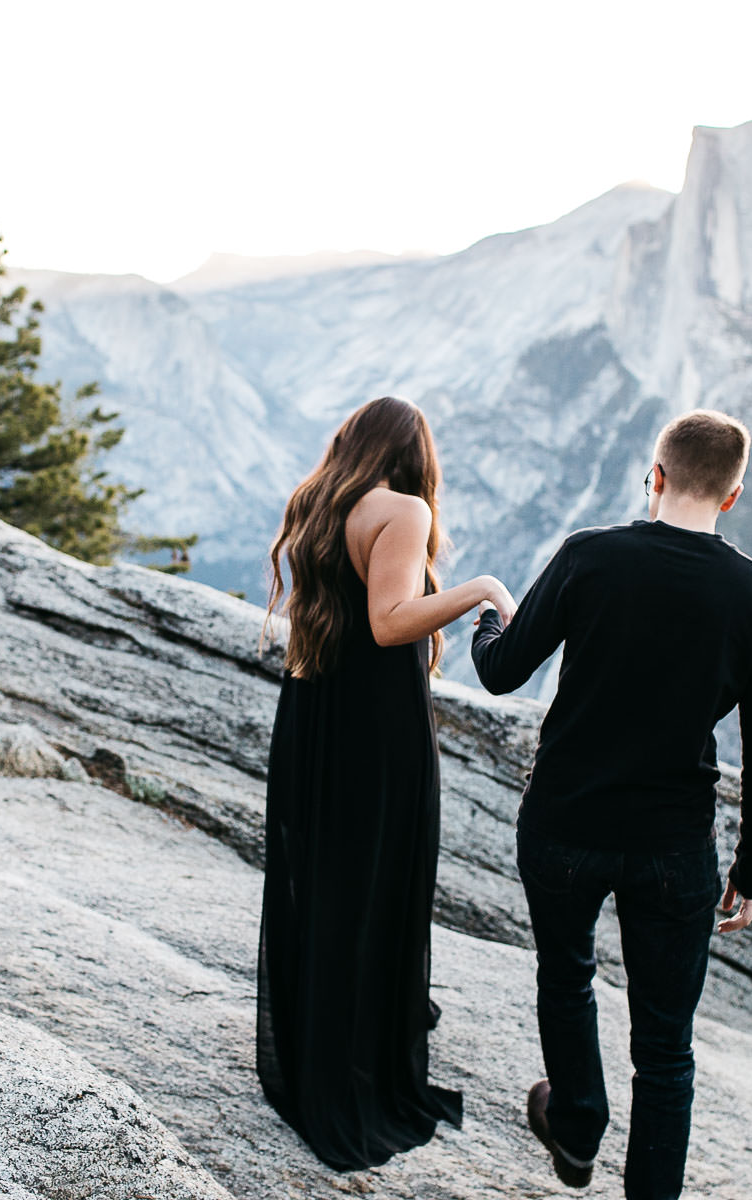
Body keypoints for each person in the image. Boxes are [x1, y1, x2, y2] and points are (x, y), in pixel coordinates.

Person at [469, 409, 752, 1199]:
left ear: (655, 474)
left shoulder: (591, 556)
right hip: (673, 845)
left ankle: (576, 1130)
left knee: (566, 973)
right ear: (734, 495)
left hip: (565, 820)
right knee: (666, 1050)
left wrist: (486, 621)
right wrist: (749, 872)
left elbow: (503, 672)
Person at [257, 395, 514, 1169]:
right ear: (416, 453)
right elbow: (390, 621)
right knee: (376, 885)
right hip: (376, 727)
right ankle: (359, 1072)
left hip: (314, 711)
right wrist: (481, 589)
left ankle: (319, 1055)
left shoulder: (319, 499)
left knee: (328, 883)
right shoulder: (402, 510)